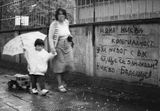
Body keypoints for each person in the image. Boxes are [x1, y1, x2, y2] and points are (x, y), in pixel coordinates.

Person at [48, 8, 74, 92]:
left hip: (67, 44)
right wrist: (52, 48)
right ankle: (60, 85)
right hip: (58, 45)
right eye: (59, 14)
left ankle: (63, 81)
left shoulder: (66, 22)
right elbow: (50, 37)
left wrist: (70, 36)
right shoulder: (54, 24)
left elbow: (67, 31)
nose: (61, 15)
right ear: (57, 15)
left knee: (69, 64)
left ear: (65, 15)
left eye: (62, 14)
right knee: (59, 66)